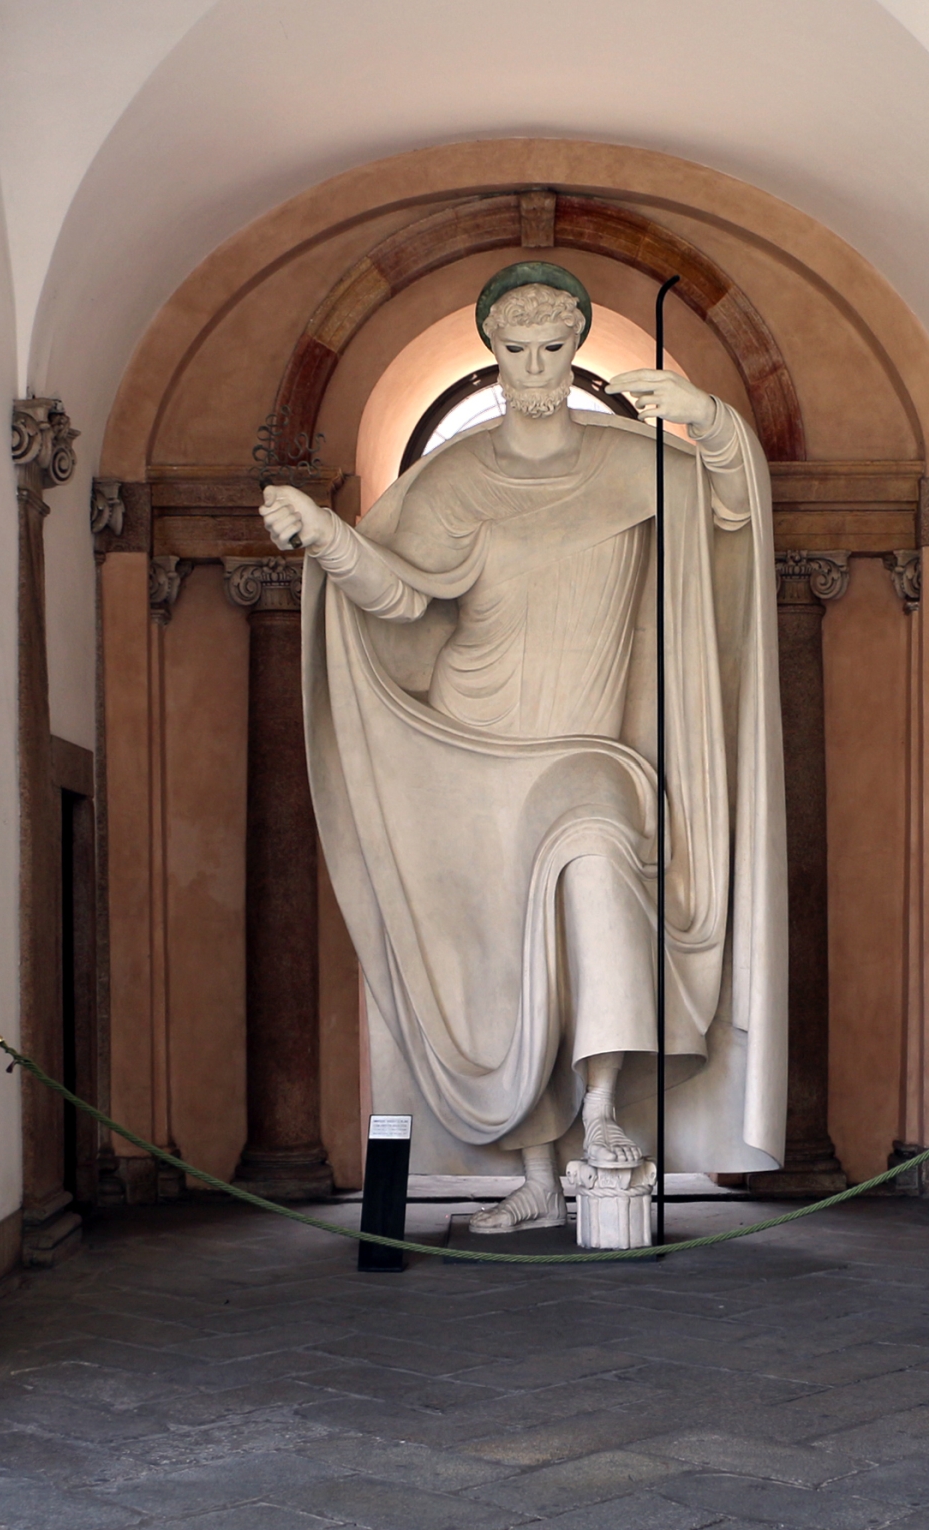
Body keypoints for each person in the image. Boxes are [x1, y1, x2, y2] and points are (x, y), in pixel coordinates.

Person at [260, 263, 786, 1232]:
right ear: (491, 354)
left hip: (589, 750)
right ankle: (541, 1177)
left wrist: (709, 419)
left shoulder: (641, 467)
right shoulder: (456, 480)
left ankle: (600, 1112)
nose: (536, 364)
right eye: (516, 347)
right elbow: (402, 596)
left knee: (592, 852)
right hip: (470, 740)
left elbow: (734, 513)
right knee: (503, 964)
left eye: (554, 345)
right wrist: (326, 537)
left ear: (578, 346)